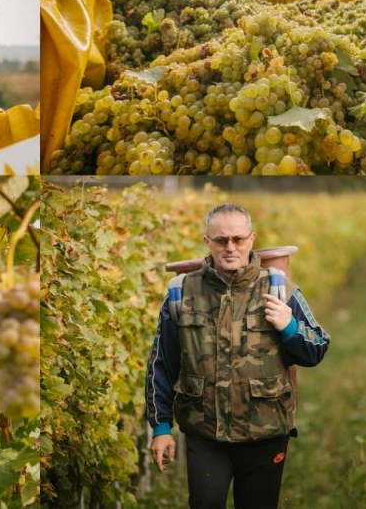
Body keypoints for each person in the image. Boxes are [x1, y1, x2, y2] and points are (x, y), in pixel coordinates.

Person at [145, 203, 330, 509]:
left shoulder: (281, 289)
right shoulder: (181, 293)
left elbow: (318, 349)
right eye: (221, 240)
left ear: (252, 239)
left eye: (238, 239)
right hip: (205, 436)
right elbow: (160, 364)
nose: (230, 247)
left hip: (266, 436)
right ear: (207, 242)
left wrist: (290, 327)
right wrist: (161, 427)